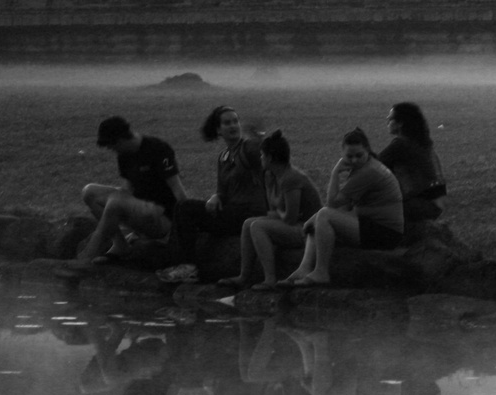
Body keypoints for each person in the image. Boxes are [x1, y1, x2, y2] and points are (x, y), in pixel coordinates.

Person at [163, 106, 269, 284]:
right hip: (231, 212)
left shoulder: (248, 148)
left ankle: (188, 267)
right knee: (182, 208)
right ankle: (179, 263)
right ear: (218, 130)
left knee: (186, 208)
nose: (233, 126)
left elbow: (264, 158)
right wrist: (216, 196)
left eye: (235, 121)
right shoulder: (223, 157)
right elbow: (223, 190)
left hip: (249, 213)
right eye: (227, 123)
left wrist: (260, 140)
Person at [285, 128, 403, 287]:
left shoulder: (368, 172)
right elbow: (345, 206)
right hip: (374, 225)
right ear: (343, 154)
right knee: (321, 217)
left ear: (367, 150)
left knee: (324, 215)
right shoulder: (367, 166)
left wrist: (335, 172)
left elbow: (332, 203)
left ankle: (321, 272)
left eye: (358, 155)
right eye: (349, 156)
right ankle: (304, 268)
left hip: (385, 233)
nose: (354, 160)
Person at [219, 129, 324, 291]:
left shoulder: (291, 179)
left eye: (262, 155)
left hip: (307, 230)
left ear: (270, 158)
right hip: (294, 222)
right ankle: (244, 276)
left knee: (257, 226)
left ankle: (270, 279)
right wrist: (270, 191)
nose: (260, 158)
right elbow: (272, 211)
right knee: (248, 223)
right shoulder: (272, 176)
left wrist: (278, 213)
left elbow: (289, 217)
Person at [76, 116, 187, 264]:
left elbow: (177, 189)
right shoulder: (124, 156)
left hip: (162, 217)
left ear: (120, 139)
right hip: (141, 211)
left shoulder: (158, 149)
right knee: (89, 192)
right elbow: (127, 190)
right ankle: (120, 245)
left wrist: (183, 227)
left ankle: (87, 256)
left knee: (116, 201)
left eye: (111, 146)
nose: (112, 150)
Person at [378, 102, 445, 223]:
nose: (387, 119)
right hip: (435, 205)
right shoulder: (423, 144)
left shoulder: (401, 145)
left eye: (391, 118)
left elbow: (373, 166)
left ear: (400, 123)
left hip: (418, 205)